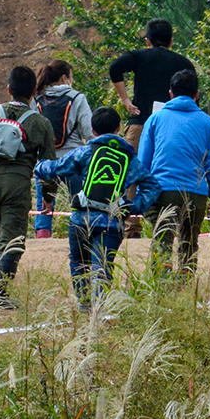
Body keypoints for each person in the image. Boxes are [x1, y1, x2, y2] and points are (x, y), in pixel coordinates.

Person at [35, 106, 148, 306]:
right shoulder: (130, 159)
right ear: (119, 127)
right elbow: (152, 184)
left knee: (79, 265)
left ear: (93, 131)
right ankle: (99, 309)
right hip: (111, 223)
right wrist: (133, 206)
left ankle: (84, 306)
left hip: (81, 219)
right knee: (102, 268)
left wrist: (39, 165)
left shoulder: (84, 153)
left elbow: (54, 169)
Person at [0, 65, 57, 304]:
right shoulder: (40, 123)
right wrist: (48, 196)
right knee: (12, 238)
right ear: (34, 92)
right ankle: (1, 293)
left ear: (8, 89)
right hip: (17, 185)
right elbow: (48, 165)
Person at [136, 69, 210, 271]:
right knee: (189, 244)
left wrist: (144, 193)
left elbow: (143, 161)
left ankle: (162, 285)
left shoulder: (155, 119)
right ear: (197, 94)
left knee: (162, 243)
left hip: (164, 190)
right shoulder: (209, 123)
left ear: (170, 93)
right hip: (196, 193)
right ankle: (184, 287)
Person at [109, 20, 197, 150]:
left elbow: (114, 68)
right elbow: (193, 99)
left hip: (141, 123)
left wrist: (125, 100)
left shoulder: (139, 56)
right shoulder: (184, 64)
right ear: (171, 41)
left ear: (147, 41)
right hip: (173, 129)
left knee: (132, 166)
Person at [32, 59, 93, 238]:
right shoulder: (77, 97)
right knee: (79, 202)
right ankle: (80, 236)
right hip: (73, 159)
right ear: (65, 78)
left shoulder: (36, 98)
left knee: (43, 204)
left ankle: (43, 239)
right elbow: (89, 131)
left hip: (46, 160)